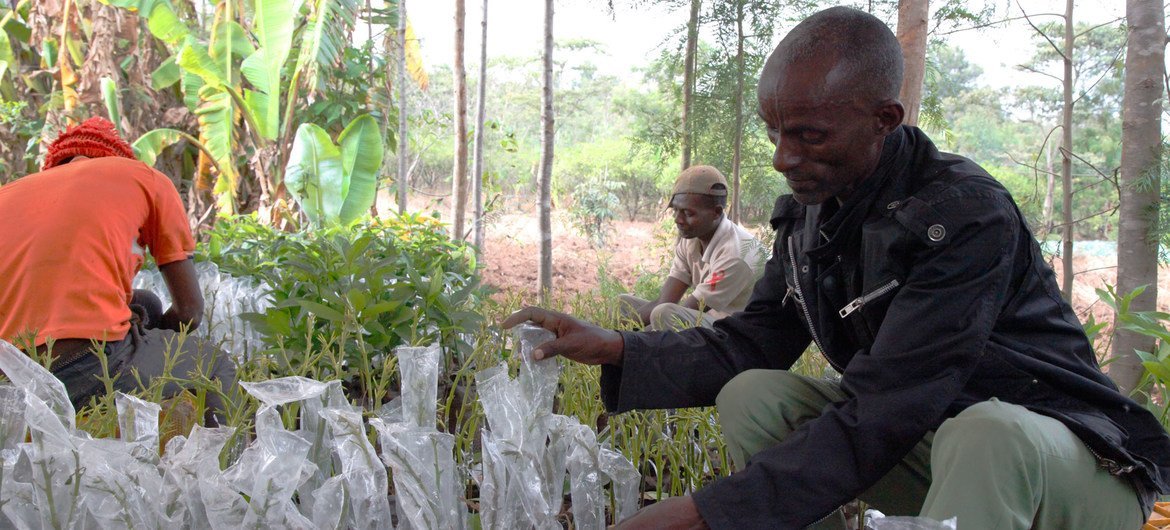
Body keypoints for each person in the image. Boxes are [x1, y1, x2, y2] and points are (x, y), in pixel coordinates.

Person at [504, 7, 1170, 529]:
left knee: (988, 430)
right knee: (754, 395)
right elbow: (753, 340)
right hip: (941, 452)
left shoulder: (963, 218)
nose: (782, 158)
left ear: (884, 119)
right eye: (774, 133)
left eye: (809, 135)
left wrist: (712, 513)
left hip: (1073, 476)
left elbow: (887, 405)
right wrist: (617, 346)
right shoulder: (815, 213)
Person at [0, 117, 236, 425]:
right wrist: (148, 342)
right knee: (214, 363)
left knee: (146, 302)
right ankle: (231, 466)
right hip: (88, 365)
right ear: (116, 158)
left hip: (11, 376)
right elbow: (189, 312)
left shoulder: (9, 193)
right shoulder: (141, 178)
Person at [617, 165, 764, 331]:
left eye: (687, 213)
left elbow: (683, 313)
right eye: (675, 211)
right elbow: (664, 300)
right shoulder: (691, 239)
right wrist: (613, 331)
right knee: (622, 305)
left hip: (740, 334)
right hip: (709, 321)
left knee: (664, 315)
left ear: (716, 212)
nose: (677, 220)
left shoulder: (736, 254)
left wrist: (623, 343)